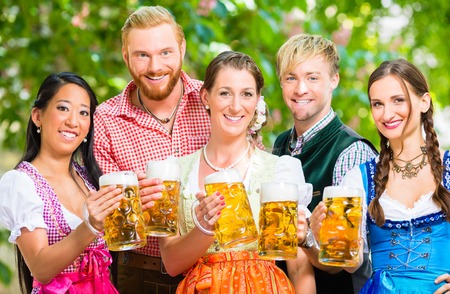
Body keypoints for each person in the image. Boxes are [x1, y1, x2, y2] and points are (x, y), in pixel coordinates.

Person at [151, 50, 314, 293]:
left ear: (257, 99)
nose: (236, 106)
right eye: (225, 93)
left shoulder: (282, 170)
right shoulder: (174, 171)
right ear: (206, 97)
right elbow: (172, 263)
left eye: (247, 94)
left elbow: (299, 268)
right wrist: (204, 227)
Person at [93, 5, 211, 293]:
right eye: (142, 55)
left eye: (165, 52)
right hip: (141, 274)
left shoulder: (214, 101)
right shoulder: (105, 120)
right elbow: (100, 221)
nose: (155, 66)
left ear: (182, 48)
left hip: (213, 271)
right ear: (126, 57)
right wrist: (134, 211)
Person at [317, 59, 450, 293]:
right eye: (377, 104)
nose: (387, 114)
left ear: (424, 102)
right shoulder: (358, 179)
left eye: (398, 100)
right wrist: (322, 239)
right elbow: (351, 265)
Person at [272, 33, 378, 293]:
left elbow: (350, 259)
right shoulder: (279, 144)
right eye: (291, 78)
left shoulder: (351, 152)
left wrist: (307, 234)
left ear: (334, 80)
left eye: (312, 77)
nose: (300, 89)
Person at [0, 72, 121, 293]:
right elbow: (40, 268)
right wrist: (91, 226)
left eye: (83, 113)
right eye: (63, 108)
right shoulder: (21, 183)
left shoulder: (89, 178)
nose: (73, 121)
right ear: (37, 116)